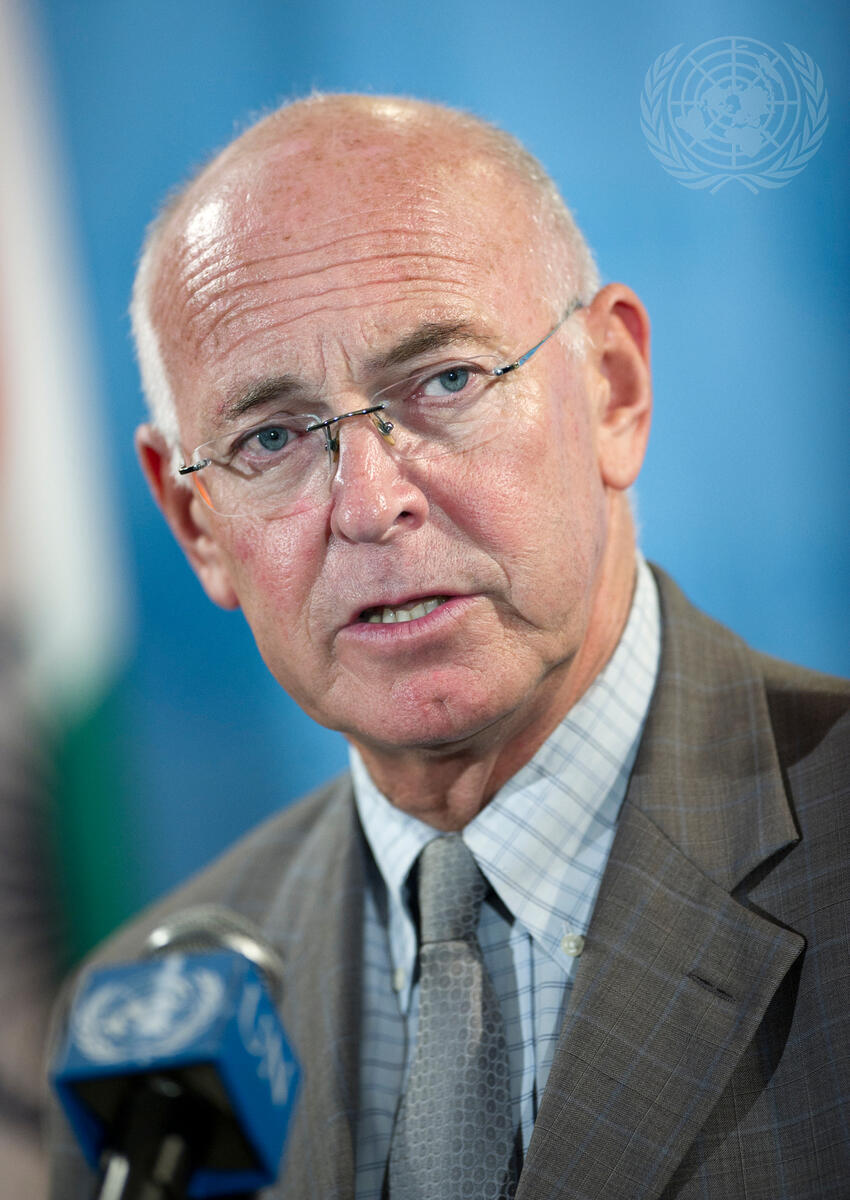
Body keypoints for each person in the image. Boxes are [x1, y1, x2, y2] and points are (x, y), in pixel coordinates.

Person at [48, 95, 849, 1199]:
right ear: (198, 527)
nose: (368, 503)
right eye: (271, 437)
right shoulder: (148, 1038)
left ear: (613, 388)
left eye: (446, 382)